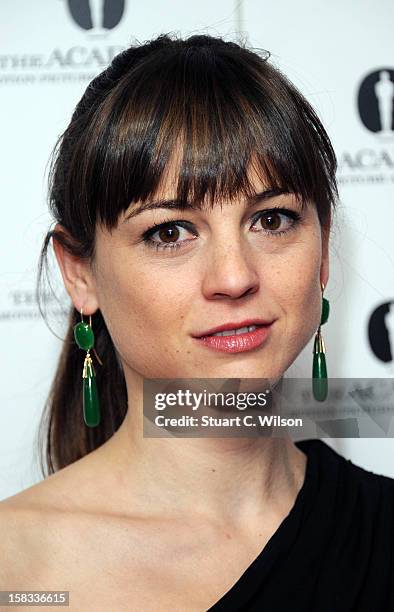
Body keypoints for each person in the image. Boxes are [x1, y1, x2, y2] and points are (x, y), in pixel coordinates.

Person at [0, 33, 393, 611]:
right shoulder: (16, 567)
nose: (234, 277)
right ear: (80, 273)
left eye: (273, 219)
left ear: (324, 248)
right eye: (169, 232)